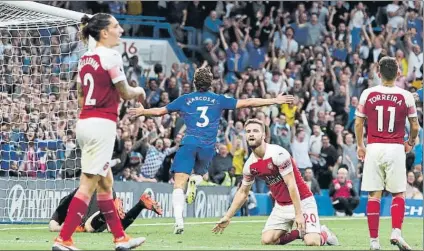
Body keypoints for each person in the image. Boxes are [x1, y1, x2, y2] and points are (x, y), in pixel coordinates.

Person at [128, 67, 294, 234]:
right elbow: (248, 102)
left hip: (189, 143)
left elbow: (159, 112)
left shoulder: (185, 99)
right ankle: (196, 180)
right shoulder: (218, 100)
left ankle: (179, 222)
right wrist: (274, 100)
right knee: (200, 175)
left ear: (194, 82)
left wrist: (143, 111)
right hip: (208, 146)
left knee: (178, 184)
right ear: (211, 83)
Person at [53, 13, 147, 251]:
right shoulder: (111, 56)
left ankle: (120, 239)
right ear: (104, 32)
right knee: (88, 185)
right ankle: (64, 239)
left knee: (106, 184)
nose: (121, 30)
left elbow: (80, 96)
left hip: (85, 122)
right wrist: (140, 91)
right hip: (101, 125)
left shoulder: (85, 58)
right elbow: (125, 92)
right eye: (116, 26)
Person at [212, 119, 339, 247]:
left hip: (302, 201)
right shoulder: (249, 165)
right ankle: (300, 233)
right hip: (281, 205)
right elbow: (243, 193)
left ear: (263, 135)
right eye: (248, 131)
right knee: (267, 240)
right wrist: (227, 216)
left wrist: (298, 214)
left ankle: (324, 234)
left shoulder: (278, 154)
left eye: (255, 131)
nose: (251, 134)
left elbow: (291, 184)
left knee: (312, 242)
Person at [355, 56, 419, 251]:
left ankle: (374, 242)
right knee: (398, 193)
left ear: (378, 72)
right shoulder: (405, 96)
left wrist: (360, 145)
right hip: (395, 148)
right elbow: (415, 126)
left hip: (374, 147)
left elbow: (358, 123)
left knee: (374, 194)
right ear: (398, 73)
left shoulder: (368, 93)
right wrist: (409, 142)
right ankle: (396, 232)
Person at [49, 188, 162, 233]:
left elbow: (52, 226)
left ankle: (108, 210)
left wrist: (66, 228)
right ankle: (140, 205)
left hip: (96, 195)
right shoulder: (69, 202)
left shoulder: (66, 205)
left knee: (88, 227)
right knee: (113, 229)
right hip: (106, 192)